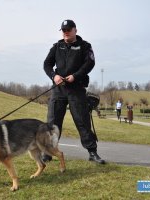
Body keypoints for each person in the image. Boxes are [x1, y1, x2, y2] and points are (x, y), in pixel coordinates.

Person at [43, 19, 105, 164]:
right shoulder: (57, 46)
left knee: (82, 121)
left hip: (76, 89)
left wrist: (75, 76)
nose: (66, 32)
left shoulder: (85, 46)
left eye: (68, 30)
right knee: (53, 122)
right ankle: (48, 152)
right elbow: (47, 64)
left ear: (75, 30)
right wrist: (54, 76)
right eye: (63, 30)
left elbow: (90, 63)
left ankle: (92, 152)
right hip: (59, 90)